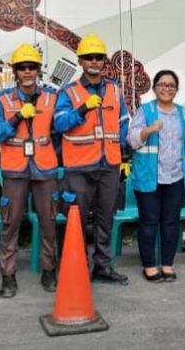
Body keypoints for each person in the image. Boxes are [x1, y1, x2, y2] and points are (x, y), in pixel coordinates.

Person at [52, 34, 131, 285]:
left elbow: (123, 124)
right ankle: (76, 269)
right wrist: (83, 109)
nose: (94, 61)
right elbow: (59, 123)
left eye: (98, 57)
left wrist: (124, 156)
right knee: (75, 220)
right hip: (79, 167)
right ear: (81, 61)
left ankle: (103, 267)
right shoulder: (69, 92)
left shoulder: (115, 90)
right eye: (89, 58)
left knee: (105, 219)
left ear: (104, 61)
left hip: (109, 165)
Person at [0, 43, 60, 295]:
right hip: (15, 170)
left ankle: (49, 271)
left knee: (49, 222)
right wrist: (17, 117)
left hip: (45, 169)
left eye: (32, 67)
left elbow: (62, 128)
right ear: (15, 71)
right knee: (10, 224)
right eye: (22, 67)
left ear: (38, 70)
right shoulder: (3, 100)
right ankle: (8, 276)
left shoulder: (52, 98)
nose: (27, 72)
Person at [128, 70, 185, 282]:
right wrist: (148, 130)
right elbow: (131, 140)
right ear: (155, 88)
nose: (167, 88)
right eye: (162, 84)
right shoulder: (145, 111)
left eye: (171, 85)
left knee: (171, 222)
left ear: (176, 89)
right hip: (149, 177)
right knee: (148, 222)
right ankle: (149, 266)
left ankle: (167, 264)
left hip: (175, 177)